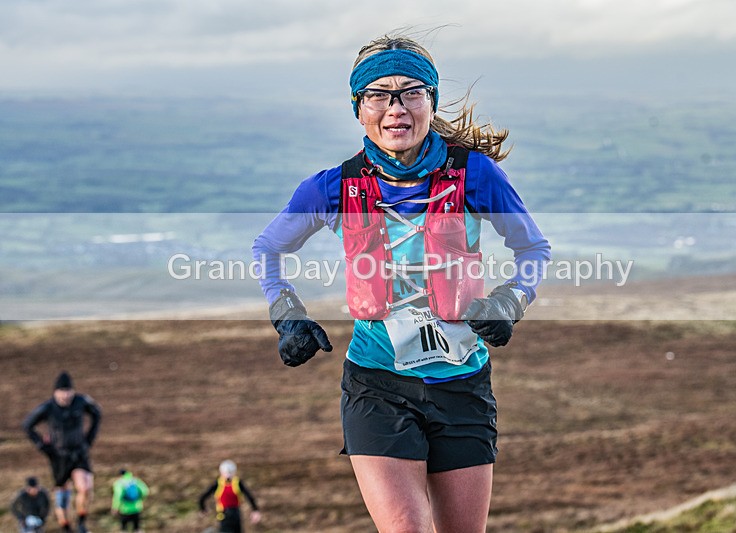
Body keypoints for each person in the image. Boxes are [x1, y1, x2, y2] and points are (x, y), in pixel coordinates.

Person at [252, 32, 551, 532]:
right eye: (378, 95)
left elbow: (533, 248)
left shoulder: (474, 175)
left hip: (463, 385)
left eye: (412, 92)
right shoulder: (335, 186)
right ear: (359, 109)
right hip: (377, 385)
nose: (396, 108)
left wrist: (510, 301)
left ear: (430, 102)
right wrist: (286, 314)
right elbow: (268, 248)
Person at [22, 371, 101, 533]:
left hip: (79, 453)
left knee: (85, 488)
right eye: (62, 392)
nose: (65, 396)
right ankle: (66, 527)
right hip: (59, 456)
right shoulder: (47, 408)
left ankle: (81, 523)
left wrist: (89, 440)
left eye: (68, 392)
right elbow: (27, 425)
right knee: (62, 496)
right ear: (55, 392)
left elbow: (97, 413)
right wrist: (42, 446)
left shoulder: (81, 401)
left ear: (72, 391)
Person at [198, 460, 261, 533]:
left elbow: (249, 497)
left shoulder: (236, 483)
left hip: (234, 514)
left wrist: (255, 510)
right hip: (225, 515)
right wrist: (202, 508)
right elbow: (202, 497)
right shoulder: (219, 484)